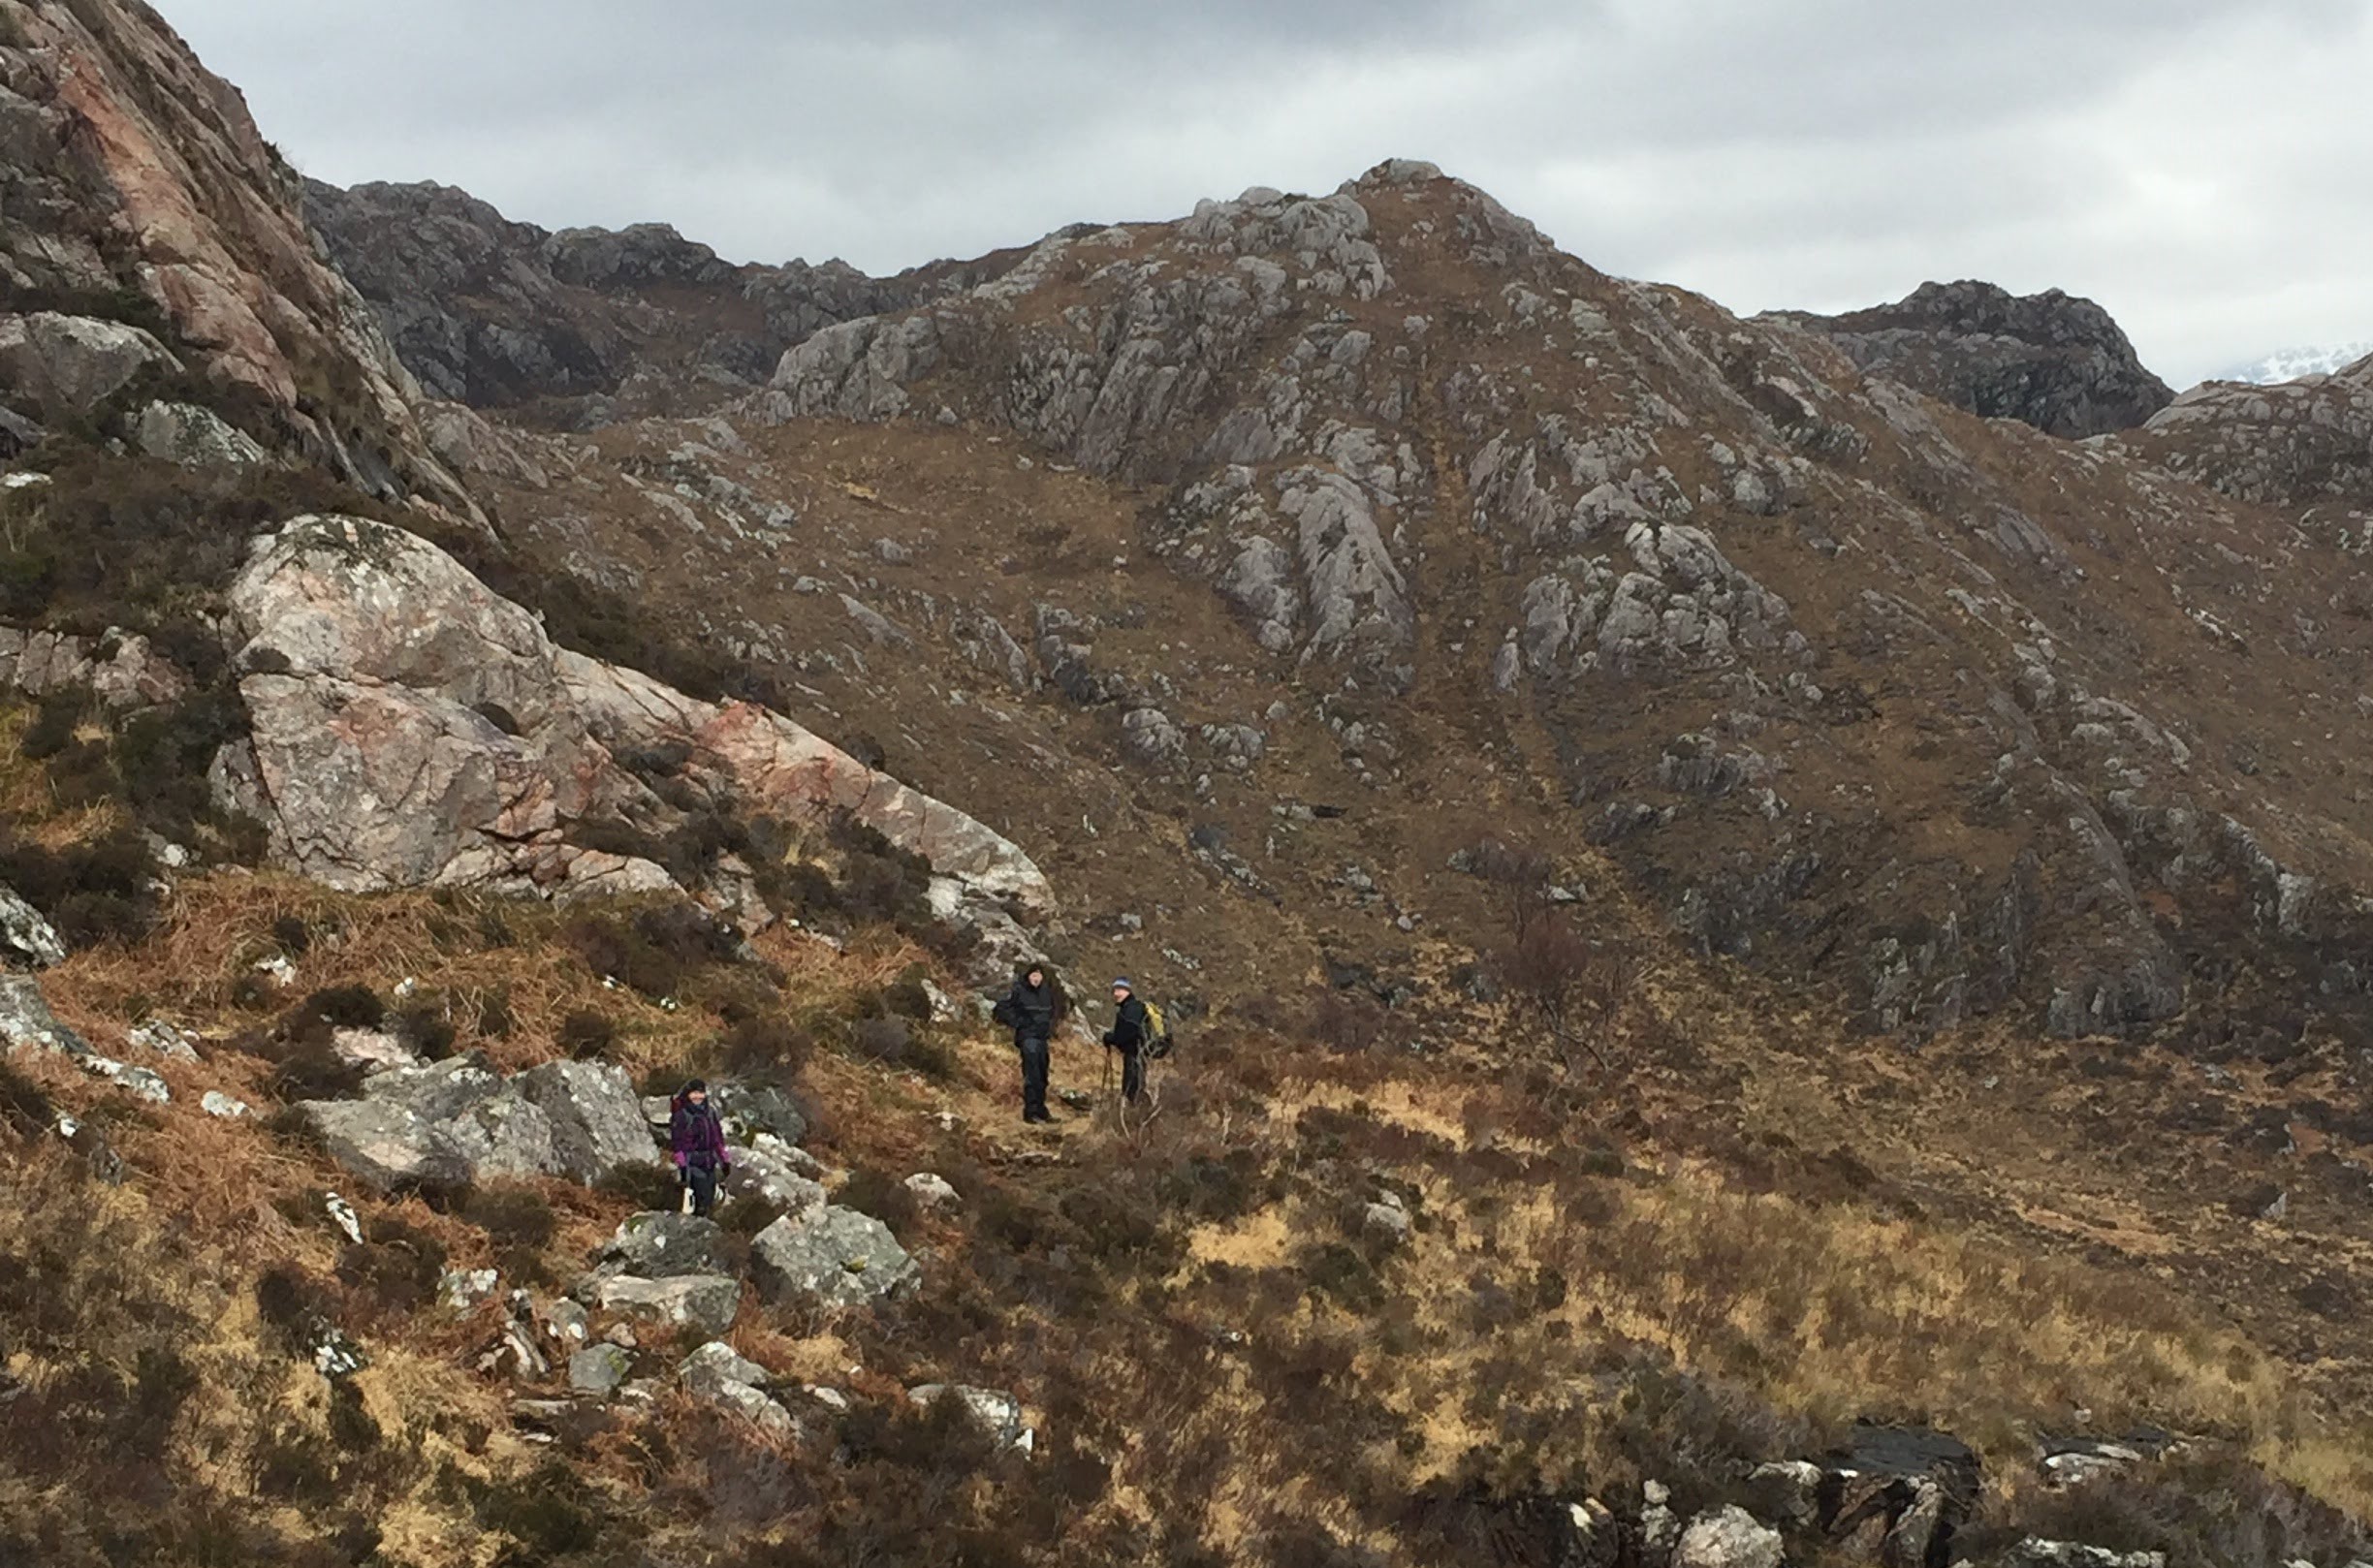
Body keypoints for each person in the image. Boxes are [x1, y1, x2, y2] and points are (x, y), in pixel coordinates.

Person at [992, 962, 1063, 1123]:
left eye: (1038, 975)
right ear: (1028, 976)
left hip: (1042, 1038)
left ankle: (1041, 1110)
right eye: (1033, 975)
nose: (1036, 978)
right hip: (1028, 1038)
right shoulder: (1019, 990)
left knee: (1043, 1075)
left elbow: (1054, 1011)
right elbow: (1002, 1009)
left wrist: (1051, 1026)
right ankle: (1031, 1113)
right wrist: (1019, 1023)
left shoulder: (1046, 992)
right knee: (1032, 1076)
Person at [668, 1079, 730, 1216]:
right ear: (688, 1094)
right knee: (700, 1201)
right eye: (694, 1093)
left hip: (710, 1162)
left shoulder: (710, 1112)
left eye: (701, 1093)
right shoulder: (681, 1115)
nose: (698, 1097)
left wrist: (725, 1159)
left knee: (711, 1198)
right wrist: (682, 1166)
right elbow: (678, 1144)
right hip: (693, 1163)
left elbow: (717, 1138)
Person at [1102, 978, 1148, 1105]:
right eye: (1114, 990)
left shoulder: (1132, 1009)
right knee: (1135, 1086)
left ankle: (1133, 1117)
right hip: (1137, 1053)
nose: (1116, 994)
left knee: (1132, 1088)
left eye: (1120, 990)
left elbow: (1128, 1033)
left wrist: (1111, 1038)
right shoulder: (1130, 1007)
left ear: (1128, 991)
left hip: (1135, 1054)